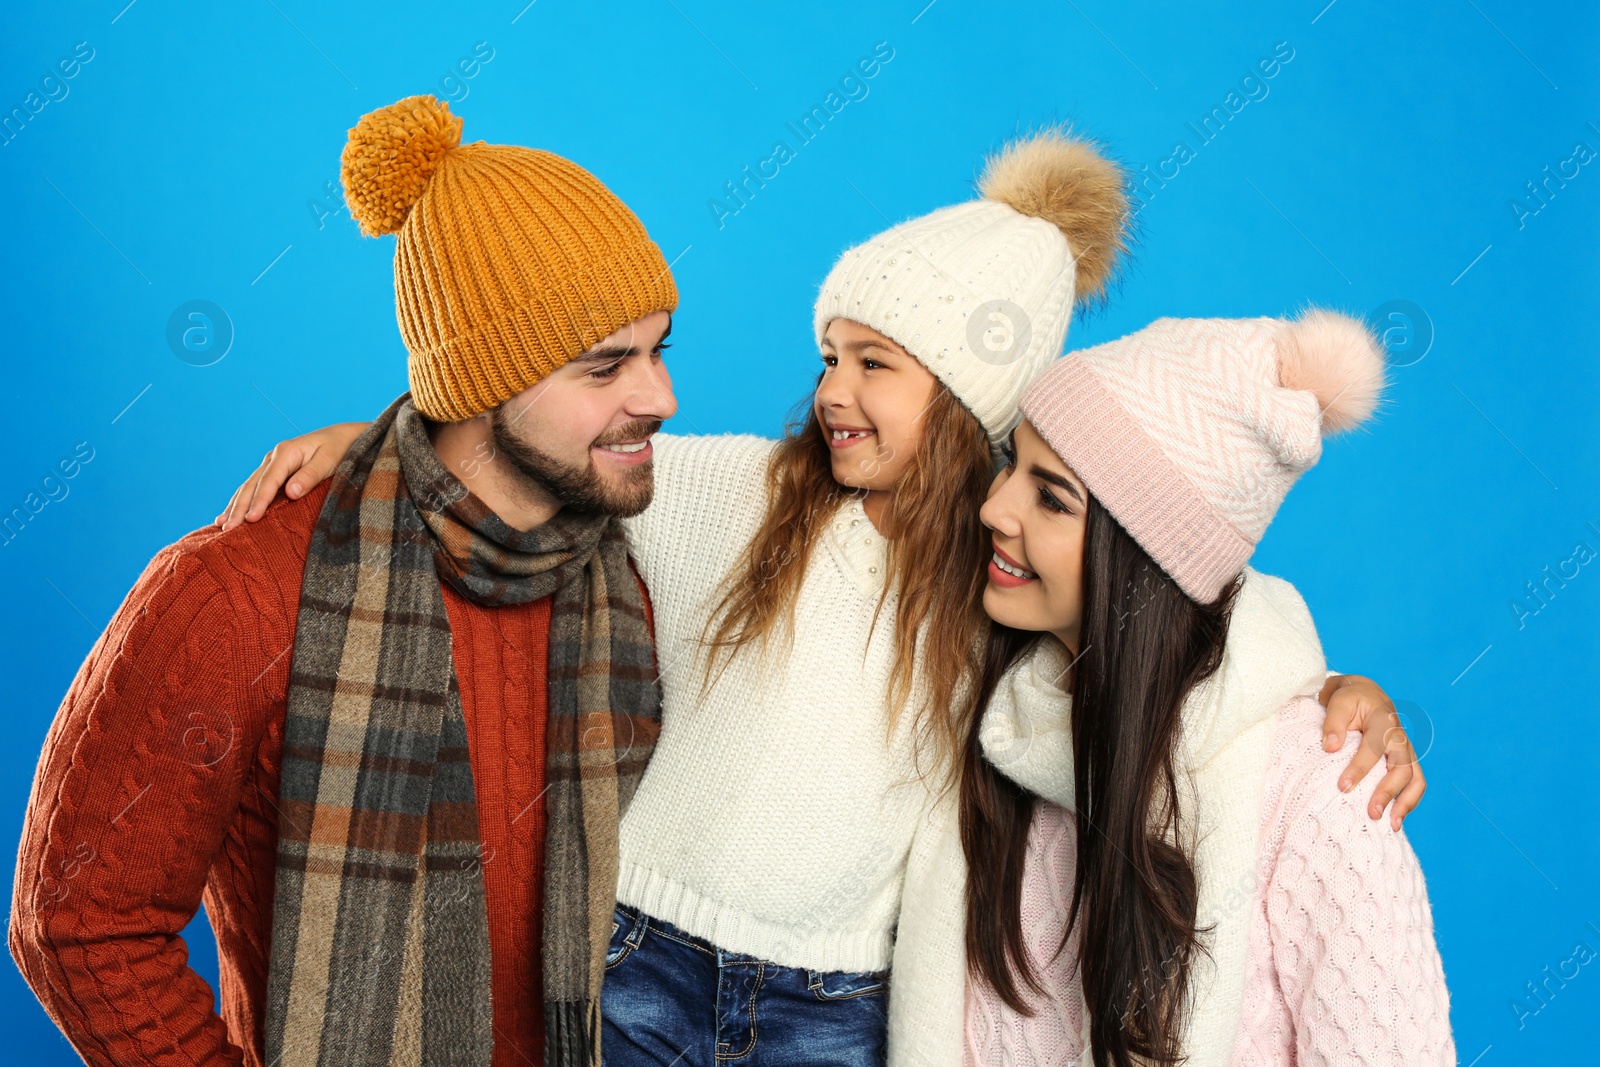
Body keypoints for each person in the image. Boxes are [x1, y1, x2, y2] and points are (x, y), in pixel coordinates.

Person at [216, 132, 1423, 1067]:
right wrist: (383, 439)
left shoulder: (1000, 580)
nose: (834, 390)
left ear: (966, 395)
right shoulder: (731, 492)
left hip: (836, 1009)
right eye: (828, 356)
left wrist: (1334, 691)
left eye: (875, 364)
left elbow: (1187, 594)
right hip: (638, 953)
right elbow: (549, 457)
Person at [11, 95, 678, 1067]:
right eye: (605, 365)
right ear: (484, 384)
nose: (659, 397)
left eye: (661, 349)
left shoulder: (629, 568)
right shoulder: (236, 591)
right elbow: (78, 918)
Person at [961, 313, 1454, 1066]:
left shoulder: (1323, 791)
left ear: (1145, 565)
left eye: (1052, 499)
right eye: (1010, 463)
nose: (995, 508)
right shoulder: (994, 729)